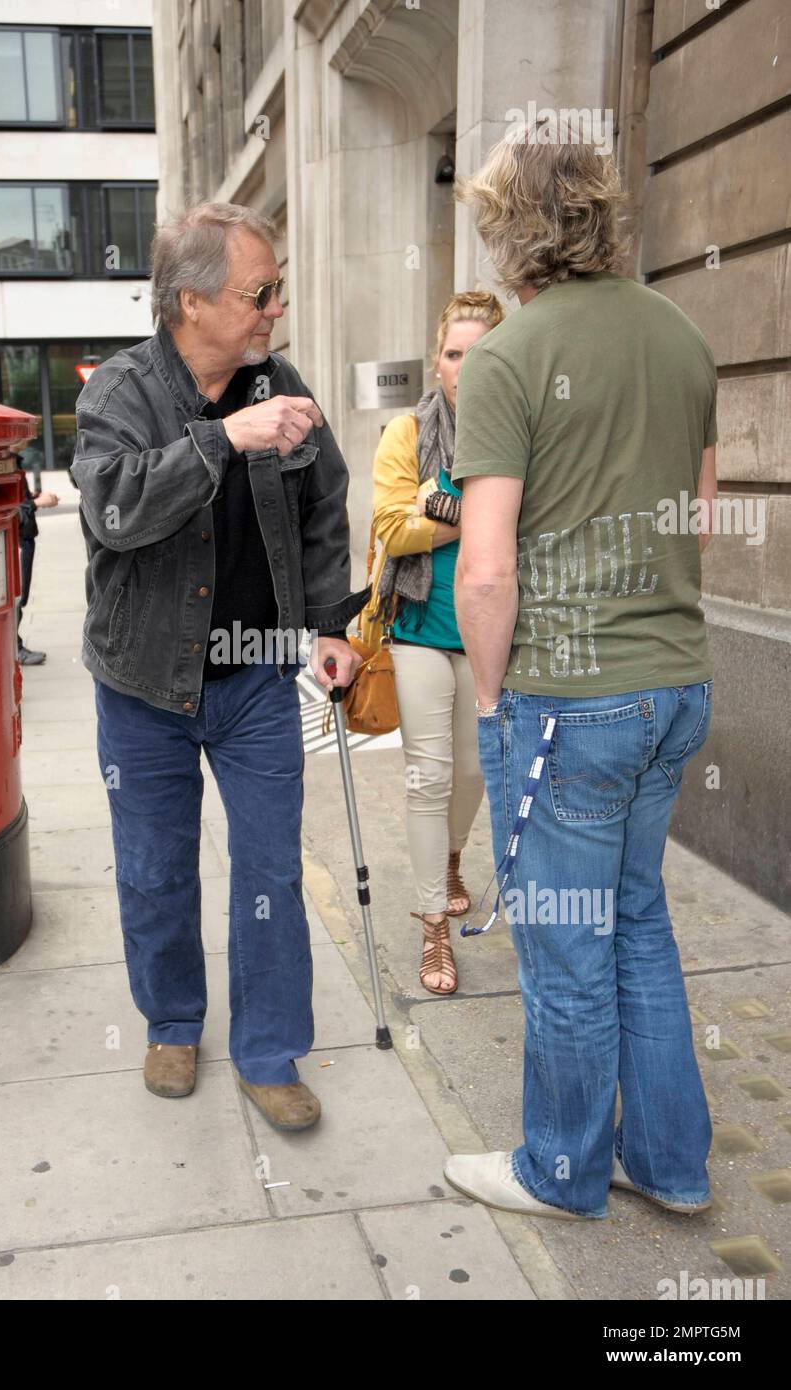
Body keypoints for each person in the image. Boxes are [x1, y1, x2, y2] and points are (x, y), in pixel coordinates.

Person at [443, 115, 718, 1220]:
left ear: (509, 229)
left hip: (569, 691)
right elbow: (694, 512)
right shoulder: (683, 337)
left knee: (564, 942)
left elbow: (485, 569)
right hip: (676, 681)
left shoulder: (510, 355)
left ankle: (560, 1167)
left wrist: (491, 693)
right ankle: (672, 1163)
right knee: (638, 918)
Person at [70, 201, 366, 1132]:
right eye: (260, 292)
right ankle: (171, 1021)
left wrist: (324, 622)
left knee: (272, 868)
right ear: (191, 302)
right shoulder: (118, 393)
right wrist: (224, 440)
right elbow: (113, 512)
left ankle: (270, 1050)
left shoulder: (277, 379)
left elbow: (323, 503)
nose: (275, 308)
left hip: (255, 679)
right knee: (154, 868)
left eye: (275, 290)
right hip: (143, 684)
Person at [370, 291, 502, 996]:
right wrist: (477, 516)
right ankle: (432, 927)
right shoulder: (407, 433)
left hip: (489, 632)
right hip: (419, 624)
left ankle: (452, 858)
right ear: (437, 360)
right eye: (454, 353)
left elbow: (533, 526)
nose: (464, 367)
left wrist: (444, 506)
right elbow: (394, 529)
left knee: (474, 770)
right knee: (427, 775)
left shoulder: (519, 430)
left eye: (480, 354)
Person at [14, 447, 58, 666]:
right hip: (17, 541)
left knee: (19, 596)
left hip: (25, 538)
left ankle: (15, 646)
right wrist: (36, 503)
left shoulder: (13, 462)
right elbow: (6, 511)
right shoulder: (3, 464)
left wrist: (31, 498)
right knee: (16, 597)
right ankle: (16, 648)